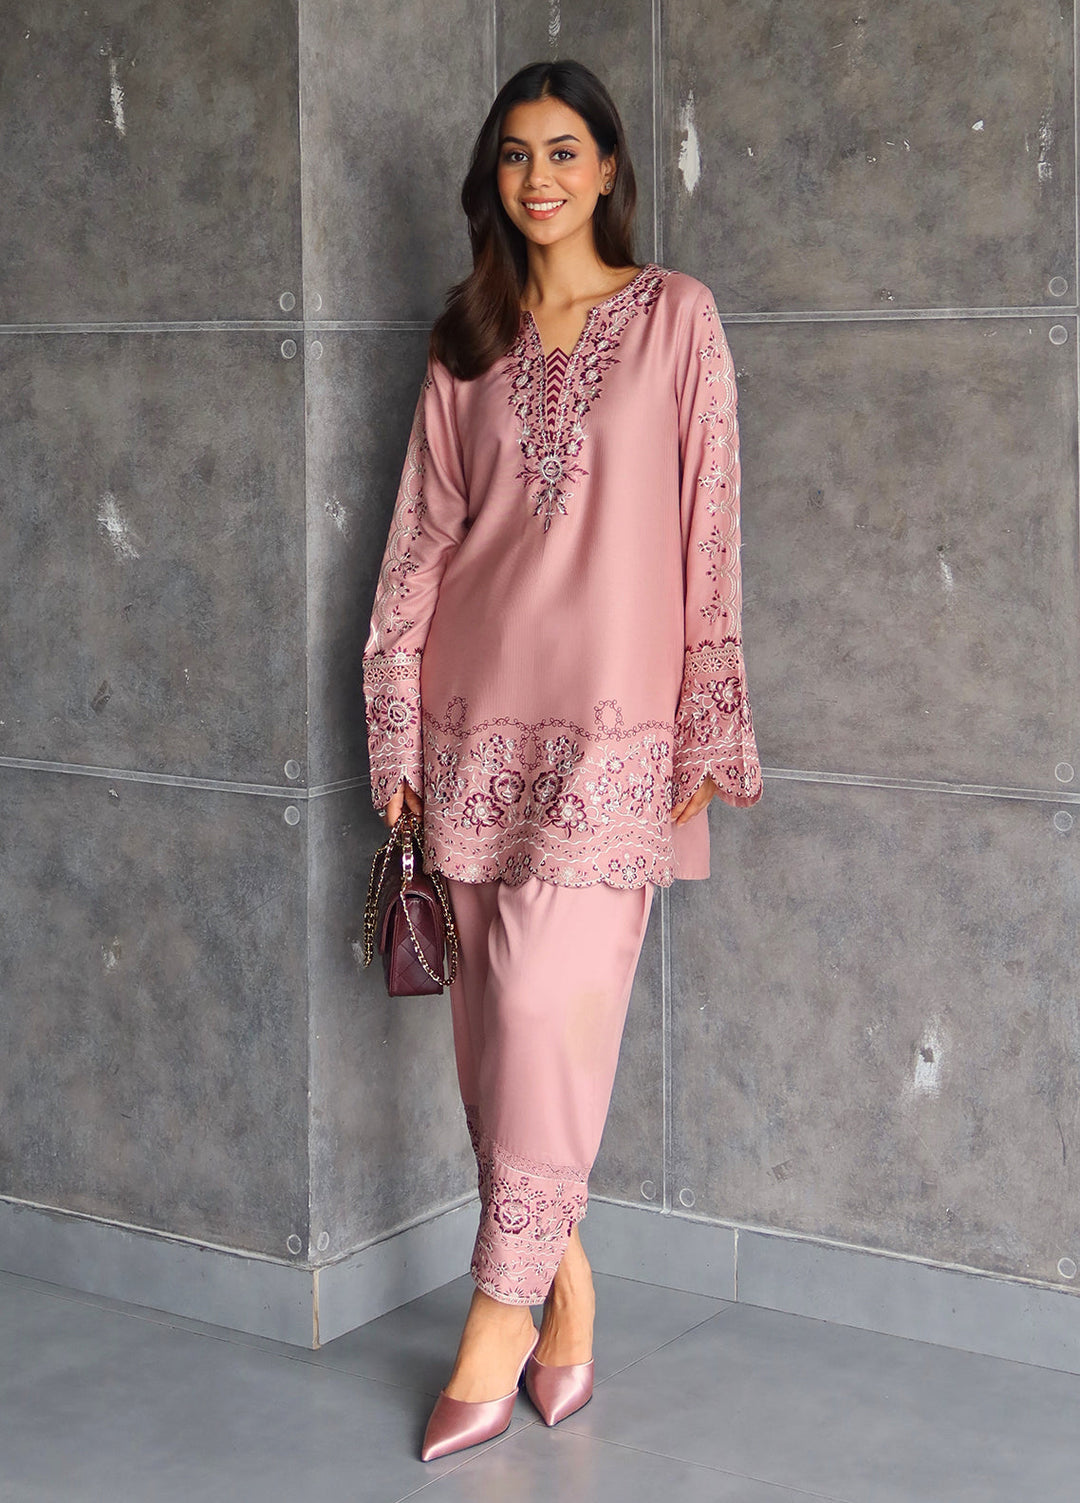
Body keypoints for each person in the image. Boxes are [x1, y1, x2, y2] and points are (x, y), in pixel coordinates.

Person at [361, 58, 762, 1462]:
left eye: (565, 151)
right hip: (468, 725)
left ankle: (497, 1314)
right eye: (518, 154)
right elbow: (422, 539)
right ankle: (570, 1292)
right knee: (492, 1044)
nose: (541, 178)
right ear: (497, 177)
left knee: (541, 1014)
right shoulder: (468, 338)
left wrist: (709, 712)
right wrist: (393, 721)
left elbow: (710, 523)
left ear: (608, 170)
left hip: (615, 735)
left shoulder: (677, 320)